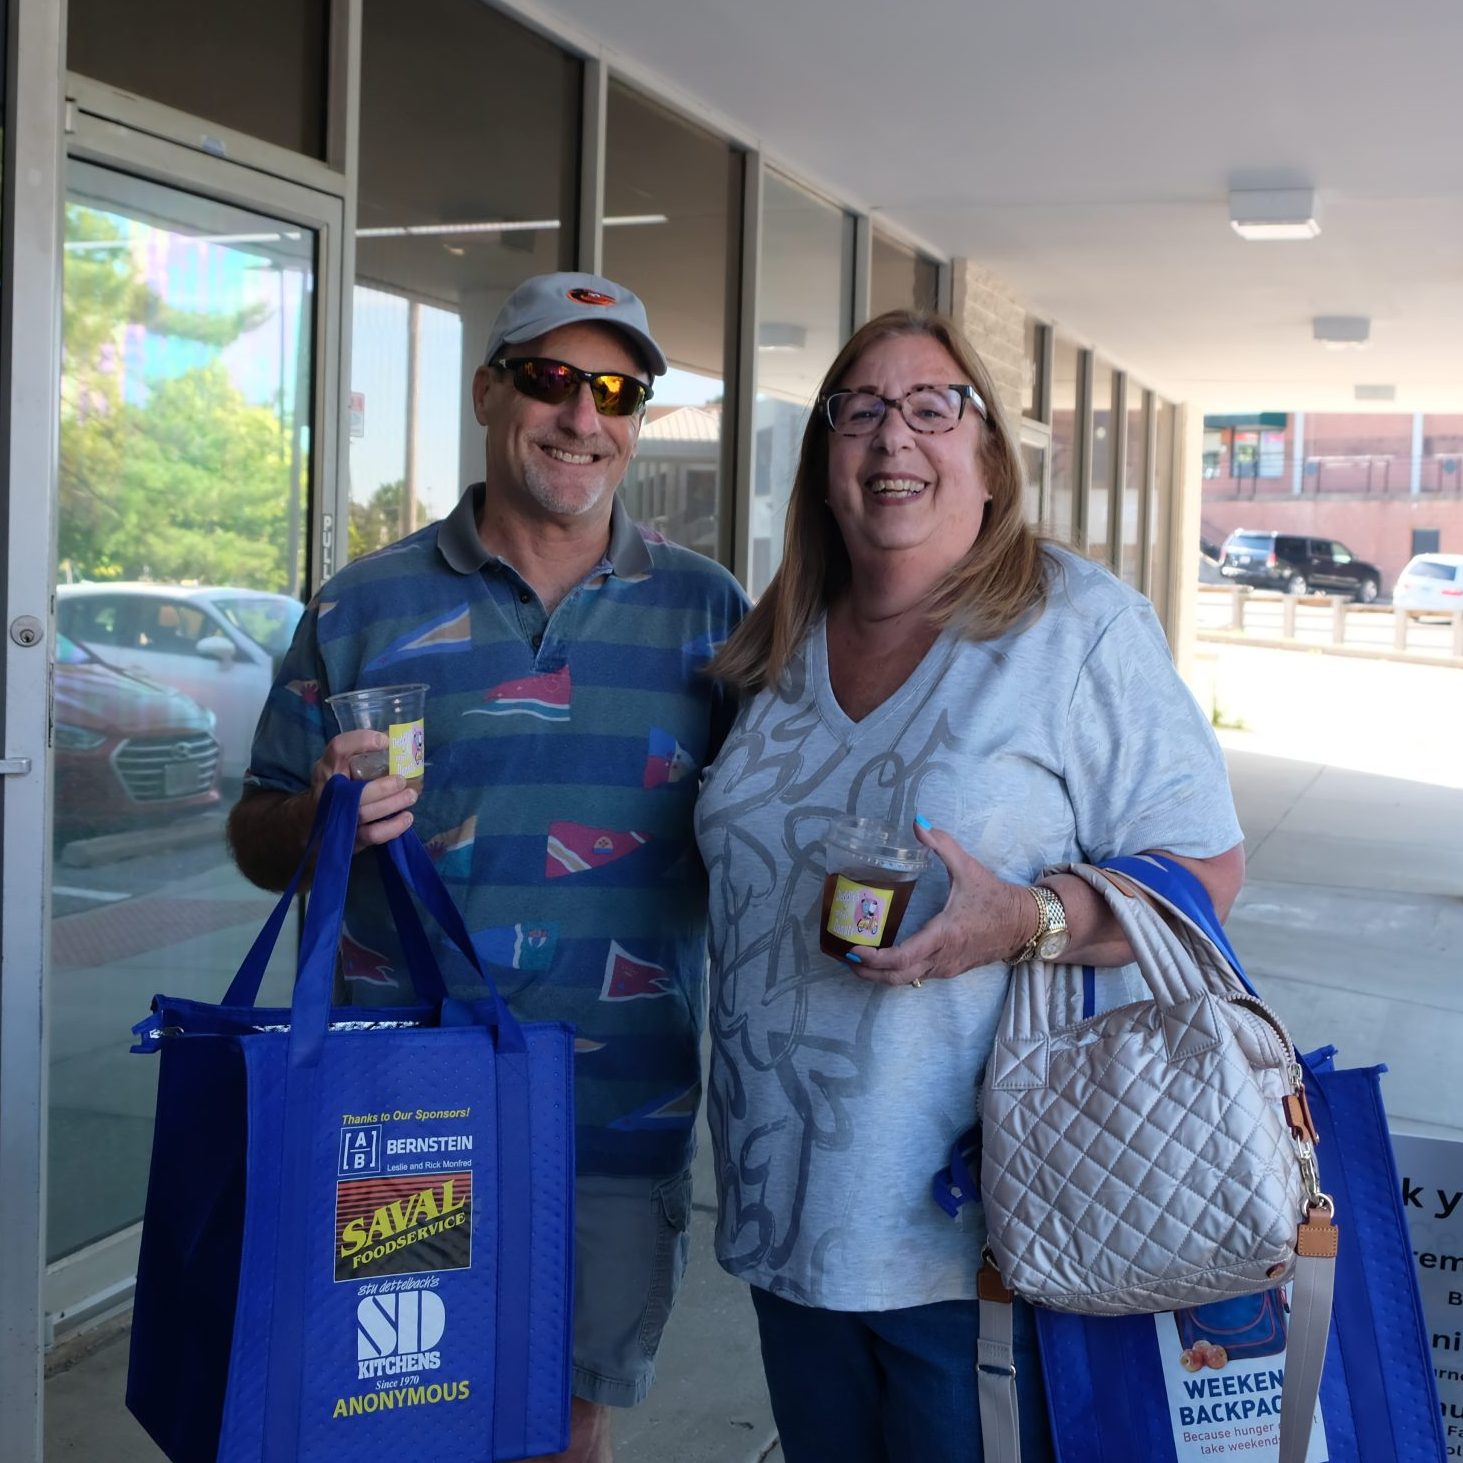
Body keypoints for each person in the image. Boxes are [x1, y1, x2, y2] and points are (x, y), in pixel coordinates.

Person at [694, 310, 1245, 1462]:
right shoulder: (778, 639)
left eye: (932, 406)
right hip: (784, 1213)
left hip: (980, 1227)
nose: (894, 437)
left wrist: (1027, 917)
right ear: (825, 460)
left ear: (989, 458)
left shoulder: (1073, 627)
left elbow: (1204, 870)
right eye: (860, 410)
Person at [229, 271, 749, 1463]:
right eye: (549, 378)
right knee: (398, 1408)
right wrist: (311, 813)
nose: (582, 414)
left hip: (617, 1105)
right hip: (407, 1106)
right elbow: (260, 841)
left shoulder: (708, 614)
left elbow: (766, 843)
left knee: (563, 1421)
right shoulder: (365, 603)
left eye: (615, 389)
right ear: (488, 392)